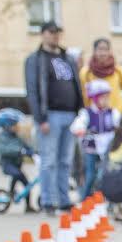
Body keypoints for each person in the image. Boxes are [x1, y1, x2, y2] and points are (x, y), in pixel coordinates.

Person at [23, 20, 84, 212]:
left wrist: (80, 111)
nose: (55, 36)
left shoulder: (68, 58)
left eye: (57, 32)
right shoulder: (36, 59)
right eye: (51, 32)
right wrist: (40, 118)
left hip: (70, 115)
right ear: (43, 34)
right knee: (49, 160)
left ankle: (64, 199)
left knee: (66, 161)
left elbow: (76, 85)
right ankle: (48, 200)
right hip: (50, 116)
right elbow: (32, 90)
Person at [75, 79, 118, 198]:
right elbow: (78, 124)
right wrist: (81, 130)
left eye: (107, 97)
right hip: (91, 147)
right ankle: (84, 199)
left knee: (104, 174)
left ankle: (102, 198)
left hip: (107, 147)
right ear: (94, 98)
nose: (105, 100)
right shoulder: (87, 112)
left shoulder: (111, 112)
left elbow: (119, 125)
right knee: (90, 174)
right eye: (102, 97)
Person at [81, 38, 122, 117]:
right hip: (94, 118)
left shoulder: (118, 71)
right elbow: (83, 95)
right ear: (94, 52)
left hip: (117, 116)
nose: (103, 53)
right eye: (100, 49)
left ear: (110, 51)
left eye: (106, 49)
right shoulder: (86, 72)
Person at [0, 107, 36, 206]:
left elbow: (25, 146)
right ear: (8, 125)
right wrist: (20, 151)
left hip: (17, 164)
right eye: (15, 125)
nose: (18, 127)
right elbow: (5, 150)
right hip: (7, 164)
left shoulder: (16, 137)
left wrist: (32, 152)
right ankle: (11, 193)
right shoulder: (2, 137)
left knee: (27, 184)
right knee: (17, 175)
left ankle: (28, 206)